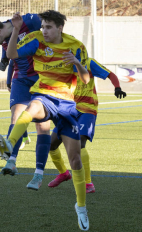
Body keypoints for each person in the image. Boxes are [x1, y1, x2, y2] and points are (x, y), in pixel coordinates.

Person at [0, 10, 91, 231]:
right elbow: (11, 55)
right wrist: (17, 29)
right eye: (43, 26)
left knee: (75, 160)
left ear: (59, 28)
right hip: (44, 95)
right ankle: (10, 144)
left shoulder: (75, 45)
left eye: (48, 27)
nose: (44, 31)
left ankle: (81, 207)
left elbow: (86, 79)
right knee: (31, 108)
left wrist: (76, 62)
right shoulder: (36, 39)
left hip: (67, 105)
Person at [0, 15, 51, 178]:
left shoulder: (29, 21)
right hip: (21, 78)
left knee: (43, 126)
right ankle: (11, 161)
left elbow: (50, 25)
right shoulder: (4, 39)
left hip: (42, 77)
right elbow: (12, 58)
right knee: (16, 116)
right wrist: (8, 77)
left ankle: (39, 171)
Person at [48, 57, 126, 194]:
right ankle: (64, 173)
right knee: (51, 144)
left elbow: (111, 74)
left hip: (88, 109)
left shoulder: (88, 62)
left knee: (80, 143)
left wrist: (117, 87)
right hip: (69, 108)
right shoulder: (61, 64)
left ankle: (88, 182)